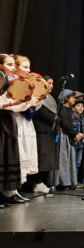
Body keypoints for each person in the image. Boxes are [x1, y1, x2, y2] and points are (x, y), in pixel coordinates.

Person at [0, 54, 29, 205]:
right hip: (2, 118)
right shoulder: (2, 79)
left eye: (13, 64)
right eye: (9, 64)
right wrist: (11, 103)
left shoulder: (7, 80)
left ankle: (9, 192)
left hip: (7, 118)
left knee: (8, 156)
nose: (13, 68)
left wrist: (22, 102)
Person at [13, 55, 41, 186]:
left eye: (29, 67)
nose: (28, 70)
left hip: (26, 122)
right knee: (19, 152)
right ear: (16, 67)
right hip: (16, 120)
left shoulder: (27, 84)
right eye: (25, 67)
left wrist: (36, 100)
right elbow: (13, 106)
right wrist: (28, 103)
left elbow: (33, 107)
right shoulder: (13, 83)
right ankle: (11, 189)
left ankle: (16, 188)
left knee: (26, 151)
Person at [48, 90, 82, 189]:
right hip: (63, 136)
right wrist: (74, 135)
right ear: (66, 98)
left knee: (67, 159)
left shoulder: (68, 109)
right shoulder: (63, 109)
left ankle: (67, 181)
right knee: (62, 159)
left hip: (68, 135)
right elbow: (66, 125)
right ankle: (60, 182)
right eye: (73, 97)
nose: (74, 99)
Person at [31, 75, 56, 194]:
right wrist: (57, 120)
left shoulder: (50, 97)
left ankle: (43, 182)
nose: (51, 85)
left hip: (49, 132)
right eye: (49, 83)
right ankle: (38, 182)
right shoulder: (39, 96)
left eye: (52, 83)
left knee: (47, 159)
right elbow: (43, 113)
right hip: (41, 132)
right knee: (42, 158)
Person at [72, 99, 84, 187]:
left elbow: (83, 129)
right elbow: (70, 130)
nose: (80, 108)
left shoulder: (81, 118)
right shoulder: (71, 117)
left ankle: (75, 181)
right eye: (78, 106)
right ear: (73, 108)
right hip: (73, 143)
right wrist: (78, 135)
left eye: (82, 106)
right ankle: (71, 181)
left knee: (77, 163)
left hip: (80, 144)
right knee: (72, 163)